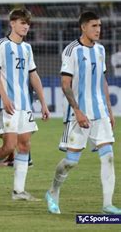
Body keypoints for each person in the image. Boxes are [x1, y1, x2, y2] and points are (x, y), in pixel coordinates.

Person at [46, 11, 121, 214]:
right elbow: (65, 84)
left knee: (108, 157)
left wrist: (109, 110)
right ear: (83, 27)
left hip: (100, 112)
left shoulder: (101, 50)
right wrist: (78, 111)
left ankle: (107, 204)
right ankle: (53, 191)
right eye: (94, 26)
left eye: (99, 26)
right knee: (71, 161)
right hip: (78, 114)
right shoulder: (71, 50)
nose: (98, 30)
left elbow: (102, 81)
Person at [0, 8, 49, 201]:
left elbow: (33, 75)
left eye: (28, 23)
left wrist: (43, 102)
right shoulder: (0, 45)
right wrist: (4, 97)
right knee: (9, 146)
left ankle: (18, 191)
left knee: (24, 144)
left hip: (25, 104)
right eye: (22, 23)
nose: (26, 26)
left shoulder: (27, 48)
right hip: (6, 103)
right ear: (12, 23)